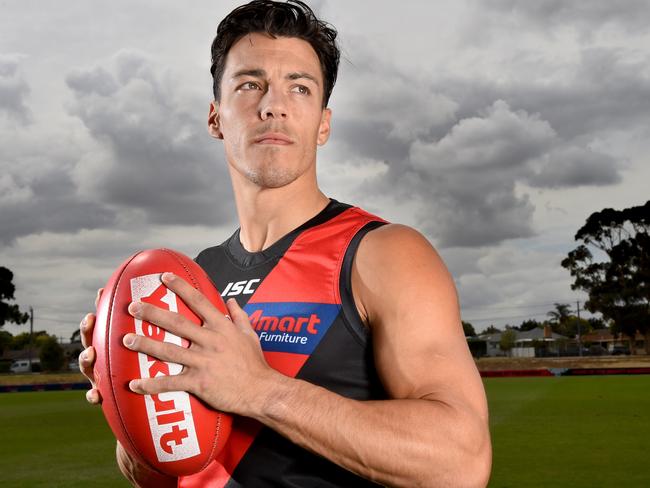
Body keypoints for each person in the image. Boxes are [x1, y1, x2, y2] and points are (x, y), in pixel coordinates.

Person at [79, 1, 492, 486]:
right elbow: (168, 477)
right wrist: (130, 409)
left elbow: (459, 463)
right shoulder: (193, 282)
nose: (273, 104)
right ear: (215, 118)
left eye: (299, 87)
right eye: (250, 84)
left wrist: (260, 390)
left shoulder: (384, 254)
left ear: (323, 123)